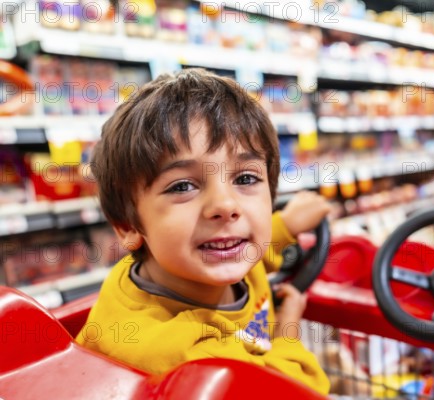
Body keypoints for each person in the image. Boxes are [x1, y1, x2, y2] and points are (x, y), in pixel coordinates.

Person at [75, 68, 331, 395]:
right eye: (183, 186)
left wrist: (286, 227)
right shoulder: (181, 351)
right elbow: (303, 391)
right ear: (129, 226)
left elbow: (244, 255)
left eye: (245, 179)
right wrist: (287, 330)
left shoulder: (188, 264)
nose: (225, 205)